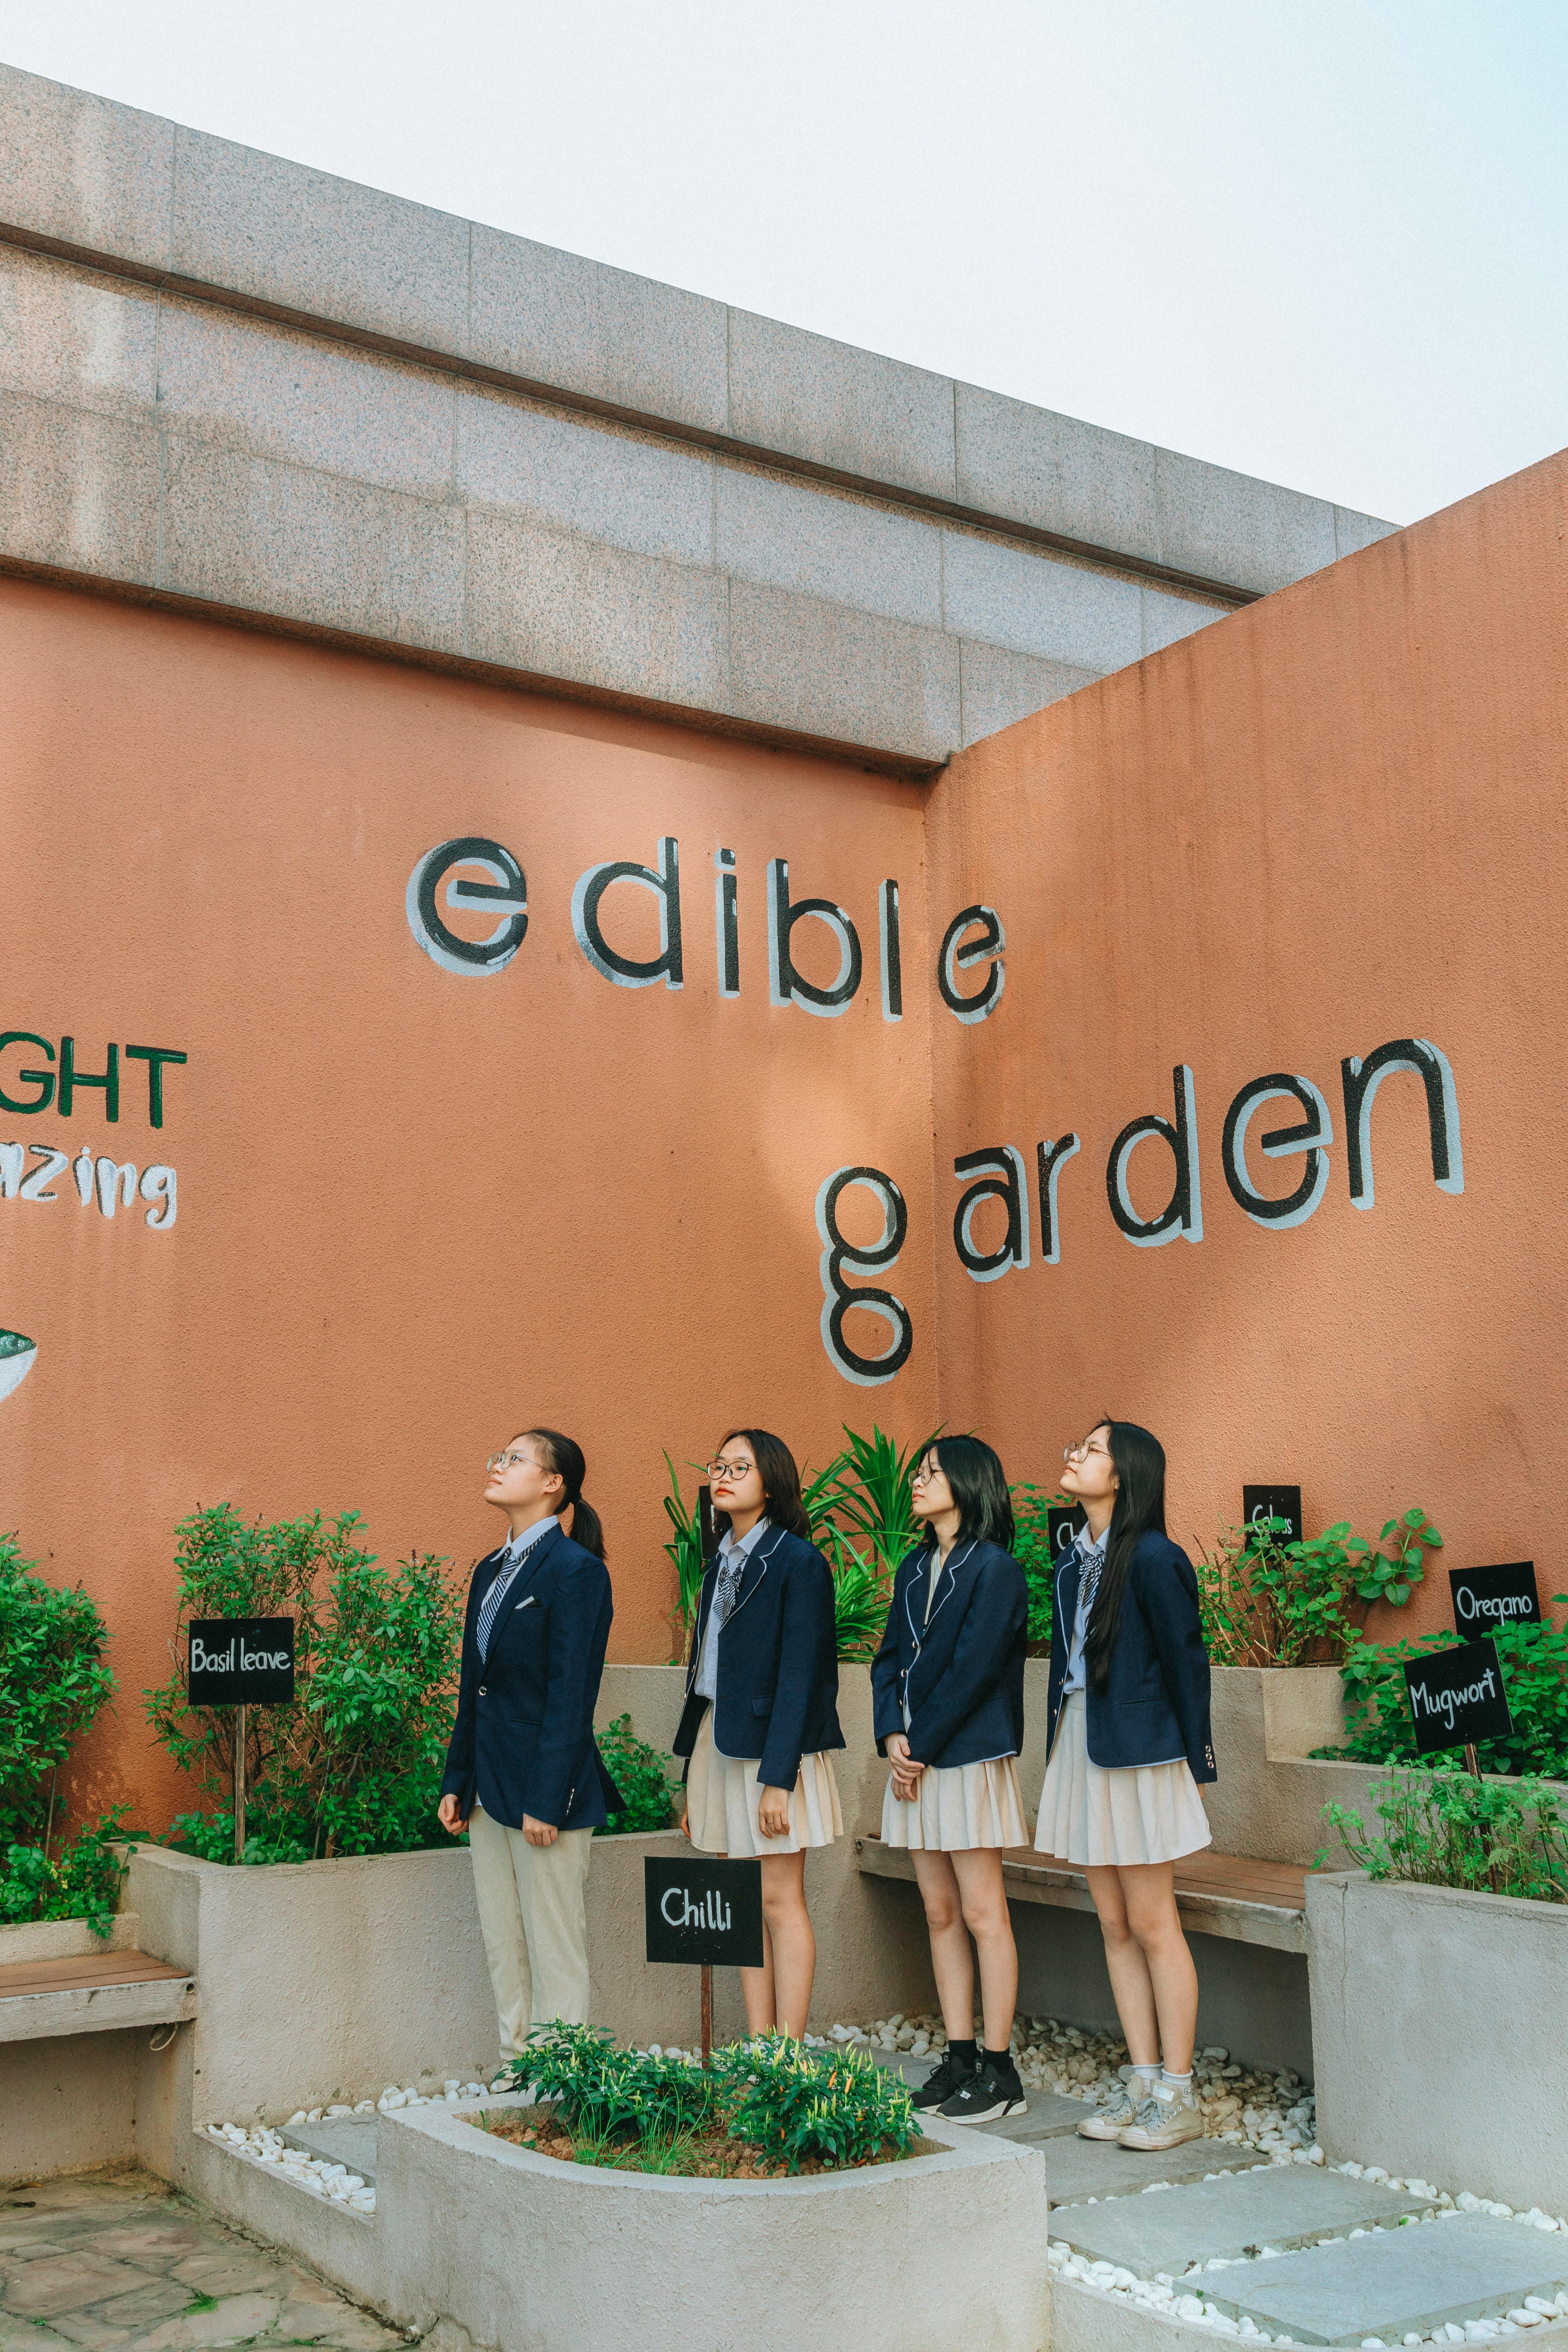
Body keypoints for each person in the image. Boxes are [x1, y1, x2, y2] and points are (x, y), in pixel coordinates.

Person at [1036, 1418, 1216, 2152]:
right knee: (1111, 1923)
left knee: (1151, 1922)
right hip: (1083, 1743)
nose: (1073, 1453)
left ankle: (1178, 2092)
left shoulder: (1154, 1558)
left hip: (1141, 1754)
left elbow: (1187, 1663)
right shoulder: (1070, 1562)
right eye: (1074, 1444)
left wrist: (1196, 1764)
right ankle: (1141, 2080)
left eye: (1091, 1449)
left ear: (1125, 1474)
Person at [438, 1428, 621, 2066]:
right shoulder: (491, 1569)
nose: (497, 1465)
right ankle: (519, 2066)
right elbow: (475, 1686)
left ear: (553, 1484)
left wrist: (549, 1797)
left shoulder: (577, 1572)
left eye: (514, 1459)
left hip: (548, 1793)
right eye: (498, 1456)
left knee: (553, 1942)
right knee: (502, 1940)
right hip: (488, 1788)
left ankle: (563, 2074)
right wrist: (457, 1780)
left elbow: (572, 1694)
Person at [872, 1435, 1029, 2125]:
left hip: (962, 1758)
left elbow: (973, 1670)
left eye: (930, 1473)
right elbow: (886, 1661)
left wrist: (920, 1749)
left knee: (981, 1911)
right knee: (937, 1912)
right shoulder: (911, 1565)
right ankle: (960, 2054)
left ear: (967, 1484)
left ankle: (1001, 2072)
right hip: (915, 1761)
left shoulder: (995, 1570)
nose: (917, 1482)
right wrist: (891, 1735)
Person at [672, 1428, 844, 2039]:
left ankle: (788, 2056)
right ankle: (759, 2046)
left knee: (777, 1899)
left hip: (775, 1748)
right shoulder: (719, 1560)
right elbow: (705, 1672)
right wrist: (691, 1771)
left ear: (771, 1484)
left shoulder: (799, 1561)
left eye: (740, 1467)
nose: (723, 1474)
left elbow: (803, 1674)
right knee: (742, 1903)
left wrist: (780, 1778)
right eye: (719, 1465)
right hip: (721, 1742)